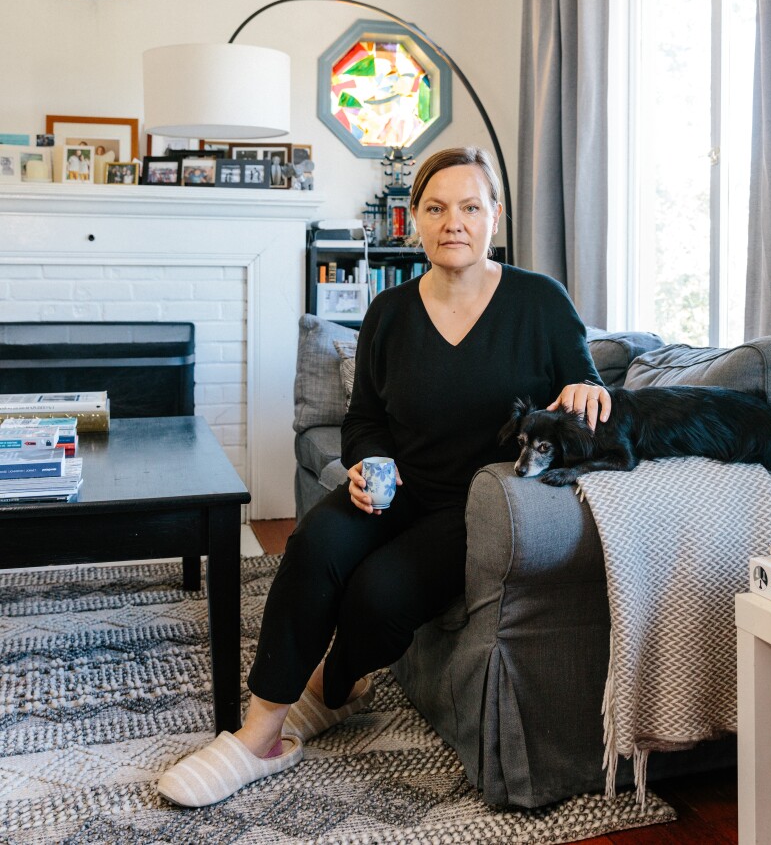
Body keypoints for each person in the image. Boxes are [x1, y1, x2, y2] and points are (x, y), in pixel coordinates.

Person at [157, 145, 612, 807]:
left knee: (378, 593)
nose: (452, 222)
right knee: (311, 545)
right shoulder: (390, 311)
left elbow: (586, 386)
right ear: (415, 219)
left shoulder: (539, 302)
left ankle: (334, 688)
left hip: (479, 507)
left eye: (468, 207)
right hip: (397, 488)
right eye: (435, 208)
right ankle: (260, 736)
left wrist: (584, 390)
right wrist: (368, 462)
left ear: (494, 216)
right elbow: (364, 417)